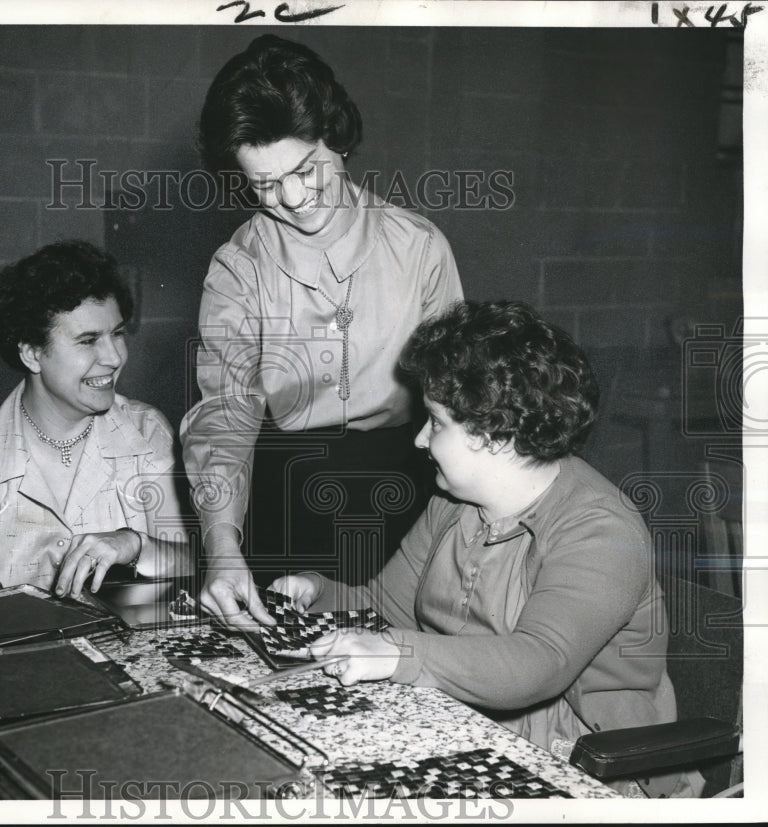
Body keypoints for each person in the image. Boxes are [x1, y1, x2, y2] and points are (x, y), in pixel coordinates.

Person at [269, 300, 703, 798]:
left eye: (436, 422)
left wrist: (396, 653)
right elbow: (386, 609)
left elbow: (537, 664)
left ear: (493, 435)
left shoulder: (601, 529)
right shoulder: (453, 503)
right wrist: (314, 591)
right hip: (473, 731)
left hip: (589, 767)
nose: (419, 440)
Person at [181, 34, 463, 631]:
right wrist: (222, 550)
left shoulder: (419, 249)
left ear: (335, 137)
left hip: (407, 489)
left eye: (307, 170)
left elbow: (464, 403)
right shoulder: (238, 268)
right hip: (287, 490)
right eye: (263, 185)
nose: (292, 199)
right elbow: (224, 421)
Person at [0, 240, 193, 603]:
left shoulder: (148, 432)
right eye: (88, 341)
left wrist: (136, 544)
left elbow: (192, 565)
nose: (114, 357)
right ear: (33, 354)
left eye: (117, 334)